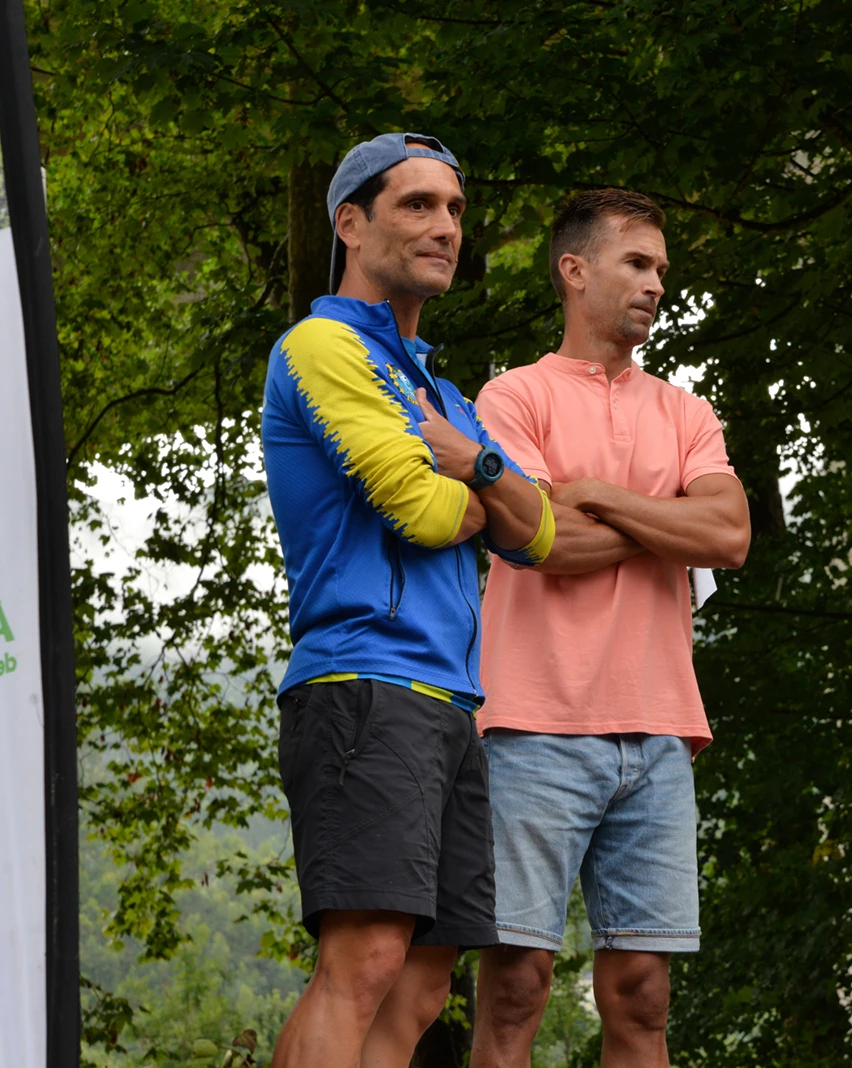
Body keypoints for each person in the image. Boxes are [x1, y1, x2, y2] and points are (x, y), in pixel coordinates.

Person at [260, 133, 554, 1068]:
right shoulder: (322, 346)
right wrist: (486, 488)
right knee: (365, 962)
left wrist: (478, 465)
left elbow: (538, 534)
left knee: (423, 983)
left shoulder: (444, 393)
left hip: (452, 706)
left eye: (455, 209)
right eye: (417, 205)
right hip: (363, 683)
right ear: (351, 223)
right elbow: (427, 514)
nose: (445, 227)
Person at [467, 189, 751, 1068]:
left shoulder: (686, 411)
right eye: (637, 263)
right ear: (574, 270)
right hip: (531, 725)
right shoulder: (511, 397)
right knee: (515, 987)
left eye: (661, 268)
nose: (656, 283)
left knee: (643, 997)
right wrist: (666, 520)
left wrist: (593, 496)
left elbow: (731, 535)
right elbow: (544, 544)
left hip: (661, 729)